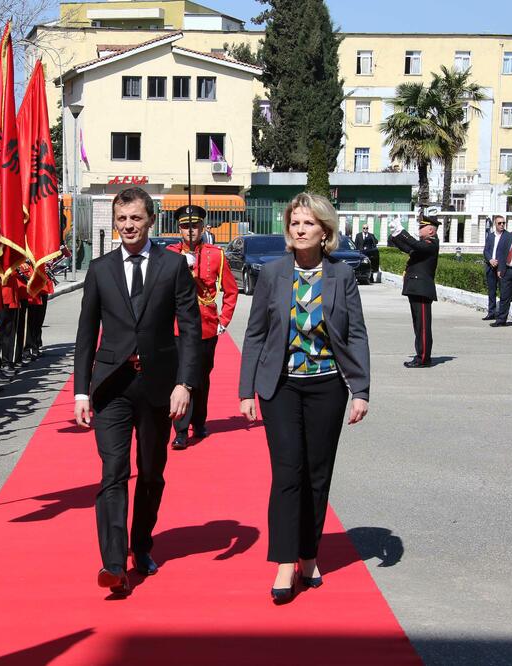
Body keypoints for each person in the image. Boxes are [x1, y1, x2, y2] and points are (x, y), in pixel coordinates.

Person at [238, 193, 370, 605]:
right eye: (294, 223)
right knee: (287, 472)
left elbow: (356, 334)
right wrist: (246, 390)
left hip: (327, 385)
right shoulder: (273, 272)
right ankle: (282, 562)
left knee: (316, 473)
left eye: (308, 223)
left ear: (324, 231)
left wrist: (360, 389)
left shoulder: (342, 276)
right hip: (280, 385)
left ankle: (309, 556)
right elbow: (255, 333)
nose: (299, 229)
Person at [73, 187, 200, 595]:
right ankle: (113, 564)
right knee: (113, 472)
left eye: (136, 219)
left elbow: (191, 328)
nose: (128, 226)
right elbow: (85, 334)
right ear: (115, 222)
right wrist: (80, 391)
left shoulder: (174, 265)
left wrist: (185, 383)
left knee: (151, 473)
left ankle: (141, 545)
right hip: (111, 386)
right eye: (122, 219)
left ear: (150, 221)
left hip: (157, 386)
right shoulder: (100, 269)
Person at [166, 204, 238, 450]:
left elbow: (231, 290)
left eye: (195, 226)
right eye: (185, 227)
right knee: (179, 376)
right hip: (177, 327)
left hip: (206, 325)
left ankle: (199, 420)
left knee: (202, 378)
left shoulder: (216, 255)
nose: (190, 231)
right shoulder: (169, 254)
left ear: (203, 227)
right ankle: (181, 429)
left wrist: (224, 321)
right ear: (179, 228)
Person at [388, 207, 440, 368]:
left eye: (422, 227)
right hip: (416, 288)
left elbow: (415, 245)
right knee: (418, 324)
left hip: (422, 289)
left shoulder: (431, 244)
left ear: (431, 230)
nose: (419, 229)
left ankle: (424, 358)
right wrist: (396, 235)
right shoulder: (423, 245)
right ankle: (420, 355)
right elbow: (407, 248)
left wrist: (402, 231)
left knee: (423, 326)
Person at [482, 216, 506, 321]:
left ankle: (501, 314)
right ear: (495, 225)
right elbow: (486, 250)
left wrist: (499, 262)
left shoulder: (508, 236)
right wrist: (490, 259)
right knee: (491, 291)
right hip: (490, 267)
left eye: (503, 223)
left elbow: (507, 253)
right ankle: (491, 312)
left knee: (503, 291)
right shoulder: (490, 236)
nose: (501, 225)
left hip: (501, 268)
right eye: (499, 223)